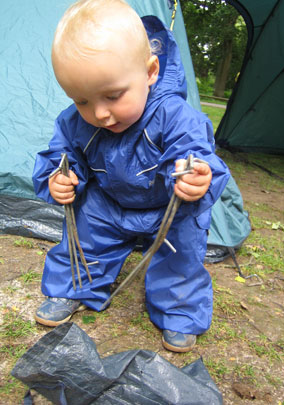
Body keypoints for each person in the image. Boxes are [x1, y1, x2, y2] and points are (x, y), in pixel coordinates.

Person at [32, 0, 230, 353]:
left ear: (150, 71)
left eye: (112, 95)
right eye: (82, 100)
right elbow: (62, 156)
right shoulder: (75, 121)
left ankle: (179, 311)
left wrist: (198, 177)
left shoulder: (173, 114)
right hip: (110, 204)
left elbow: (194, 154)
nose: (101, 114)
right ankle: (73, 286)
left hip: (166, 206)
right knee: (86, 228)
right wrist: (58, 178)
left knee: (181, 249)